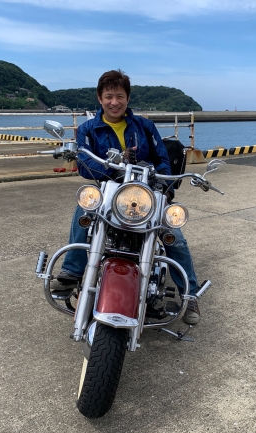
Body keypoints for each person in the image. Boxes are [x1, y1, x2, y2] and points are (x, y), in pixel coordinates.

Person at [53, 69, 201, 324]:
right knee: (83, 210)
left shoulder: (144, 126)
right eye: (109, 96)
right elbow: (84, 164)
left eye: (119, 96)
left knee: (173, 236)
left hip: (147, 192)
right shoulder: (88, 129)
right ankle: (72, 271)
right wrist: (115, 165)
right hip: (109, 192)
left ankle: (190, 294)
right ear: (99, 98)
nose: (114, 102)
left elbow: (163, 161)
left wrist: (165, 190)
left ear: (127, 98)